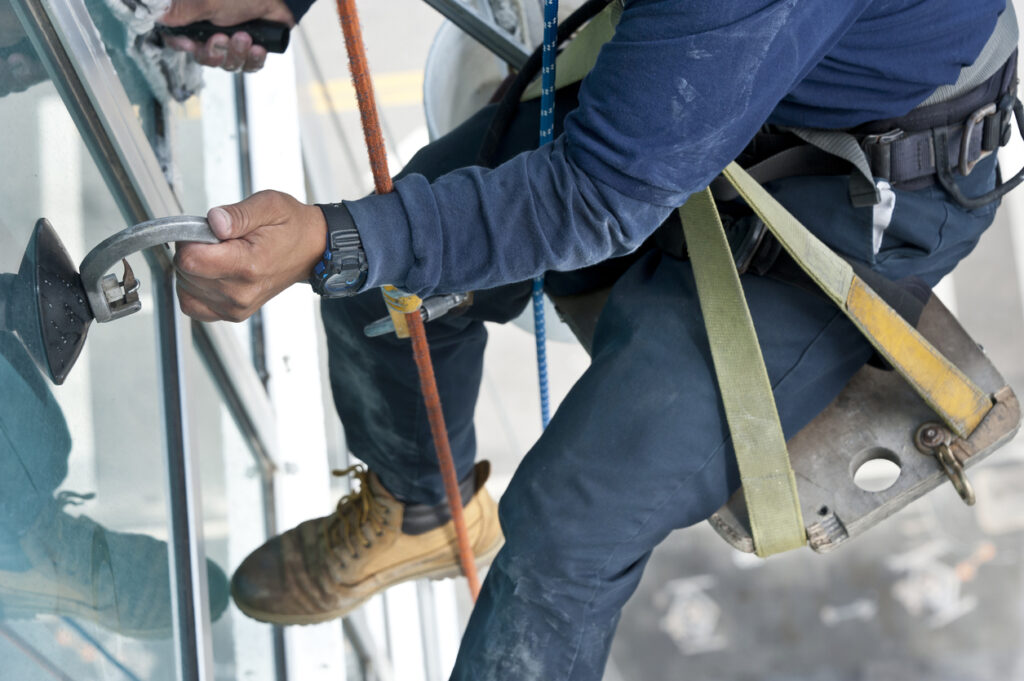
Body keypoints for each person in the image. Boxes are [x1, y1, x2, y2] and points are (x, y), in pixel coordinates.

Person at [162, 0, 1016, 678]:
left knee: (570, 532)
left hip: (851, 186)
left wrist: (334, 236)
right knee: (384, 296)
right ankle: (422, 508)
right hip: (704, 69)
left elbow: (595, 197)